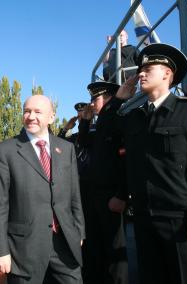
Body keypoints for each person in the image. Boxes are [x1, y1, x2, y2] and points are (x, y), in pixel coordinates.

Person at [112, 43, 187, 284]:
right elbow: (109, 139)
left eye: (149, 68)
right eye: (140, 69)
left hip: (179, 220)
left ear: (167, 74)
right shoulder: (134, 118)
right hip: (143, 218)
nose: (141, 73)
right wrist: (117, 101)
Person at [0, 95, 85, 283]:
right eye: (27, 111)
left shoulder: (66, 149)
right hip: (24, 250)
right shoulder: (6, 151)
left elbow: (74, 196)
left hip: (65, 244)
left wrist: (79, 231)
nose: (31, 116)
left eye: (38, 112)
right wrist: (0, 250)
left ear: (52, 117)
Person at [78, 81, 128, 284]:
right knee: (95, 245)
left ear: (108, 98)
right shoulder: (99, 125)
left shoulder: (117, 120)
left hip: (111, 196)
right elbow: (84, 144)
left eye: (95, 99)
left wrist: (122, 195)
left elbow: (126, 163)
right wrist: (84, 123)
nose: (91, 104)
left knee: (114, 251)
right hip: (94, 195)